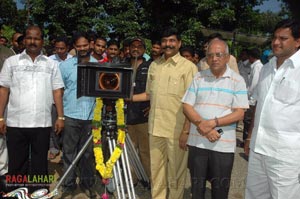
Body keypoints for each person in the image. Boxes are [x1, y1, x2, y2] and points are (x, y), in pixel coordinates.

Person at [132, 27, 198, 199]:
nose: (167, 44)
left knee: (176, 172)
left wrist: (186, 131)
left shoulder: (188, 68)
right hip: (155, 129)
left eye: (172, 41)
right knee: (157, 171)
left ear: (179, 43)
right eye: (164, 41)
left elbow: (192, 102)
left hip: (176, 131)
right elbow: (148, 94)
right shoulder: (154, 66)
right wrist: (127, 97)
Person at [0, 25, 65, 193]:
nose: (32, 41)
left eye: (36, 38)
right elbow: (4, 90)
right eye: (29, 38)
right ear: (24, 40)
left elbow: (57, 90)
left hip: (41, 123)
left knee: (39, 163)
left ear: (42, 41)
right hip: (16, 122)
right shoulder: (11, 62)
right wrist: (0, 117)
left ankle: (39, 192)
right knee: (17, 162)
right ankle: (16, 192)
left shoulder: (51, 64)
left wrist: (60, 117)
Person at [181, 39, 248, 199]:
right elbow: (187, 106)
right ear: (206, 57)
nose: (214, 58)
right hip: (197, 143)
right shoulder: (198, 77)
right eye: (210, 55)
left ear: (227, 57)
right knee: (197, 189)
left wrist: (212, 124)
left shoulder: (237, 80)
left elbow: (239, 113)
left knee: (220, 190)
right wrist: (200, 124)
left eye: (219, 55)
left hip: (222, 146)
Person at [244, 19, 300, 199]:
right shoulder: (266, 68)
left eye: (283, 38)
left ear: (298, 41)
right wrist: (250, 136)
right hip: (258, 147)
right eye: (275, 37)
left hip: (285, 154)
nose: (276, 42)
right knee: (255, 195)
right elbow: (260, 105)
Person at [59, 31, 97, 199]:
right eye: (78, 46)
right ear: (74, 47)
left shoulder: (100, 65)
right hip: (71, 115)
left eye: (85, 45)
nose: (82, 48)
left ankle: (87, 184)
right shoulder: (65, 66)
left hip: (91, 117)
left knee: (88, 154)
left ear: (91, 44)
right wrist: (60, 116)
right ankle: (68, 184)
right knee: (69, 151)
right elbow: (59, 91)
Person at [126, 37, 151, 186]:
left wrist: (152, 105)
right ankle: (132, 179)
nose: (136, 48)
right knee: (130, 151)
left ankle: (148, 179)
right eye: (133, 46)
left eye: (139, 46)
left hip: (143, 117)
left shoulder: (151, 67)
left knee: (145, 151)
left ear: (144, 49)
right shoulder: (123, 65)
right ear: (128, 49)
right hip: (126, 117)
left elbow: (155, 91)